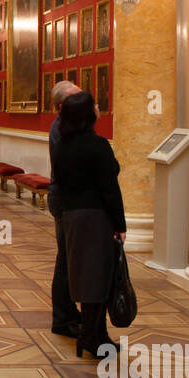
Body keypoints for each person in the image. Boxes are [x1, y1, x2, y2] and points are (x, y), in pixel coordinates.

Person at [50, 91, 126, 358]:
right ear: (87, 113)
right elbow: (110, 189)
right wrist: (120, 224)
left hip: (71, 216)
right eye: (95, 105)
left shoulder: (62, 147)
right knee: (100, 276)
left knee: (83, 274)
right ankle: (93, 337)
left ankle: (93, 334)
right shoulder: (98, 145)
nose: (98, 107)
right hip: (96, 217)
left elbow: (60, 181)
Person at [47, 79, 82, 336]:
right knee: (66, 261)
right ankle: (62, 317)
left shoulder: (70, 127)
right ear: (61, 106)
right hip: (67, 200)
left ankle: (70, 312)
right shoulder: (61, 129)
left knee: (71, 259)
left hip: (70, 199)